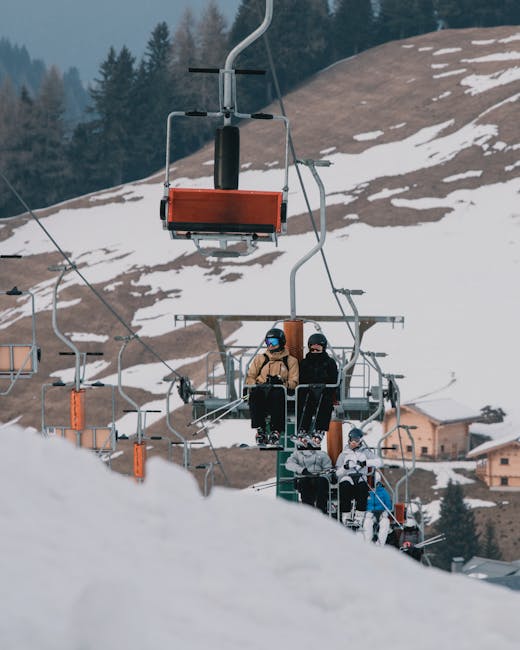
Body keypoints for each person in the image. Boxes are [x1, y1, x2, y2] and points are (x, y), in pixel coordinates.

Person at [246, 327, 299, 446]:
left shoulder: (290, 361)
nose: (270, 345)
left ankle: (276, 430)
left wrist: (282, 383)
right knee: (255, 395)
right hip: (262, 389)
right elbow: (250, 376)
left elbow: (294, 381)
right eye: (268, 342)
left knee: (277, 394)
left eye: (273, 342)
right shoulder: (261, 359)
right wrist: (257, 384)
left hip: (279, 391)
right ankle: (260, 429)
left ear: (281, 342)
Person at [297, 333, 338, 447]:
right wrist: (307, 386)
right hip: (308, 391)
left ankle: (319, 431)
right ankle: (302, 430)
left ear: (323, 347)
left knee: (325, 403)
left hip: (324, 391)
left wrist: (326, 387)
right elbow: (301, 378)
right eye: (312, 348)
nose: (315, 350)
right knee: (306, 403)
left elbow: (334, 378)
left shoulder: (329, 362)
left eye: (318, 347)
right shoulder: (305, 363)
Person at [335, 427, 381, 527]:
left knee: (363, 488)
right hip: (348, 476)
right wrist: (345, 467)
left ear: (360, 441)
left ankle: (359, 517)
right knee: (345, 486)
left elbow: (379, 462)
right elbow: (337, 473)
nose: (354, 443)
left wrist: (365, 463)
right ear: (349, 440)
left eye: (357, 440)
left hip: (360, 476)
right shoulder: (344, 454)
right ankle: (346, 516)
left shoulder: (365, 452)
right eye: (352, 440)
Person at [285, 447, 332, 514]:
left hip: (319, 477)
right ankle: (308, 512)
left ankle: (321, 511)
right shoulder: (297, 454)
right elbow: (288, 464)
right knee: (304, 482)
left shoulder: (322, 454)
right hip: (304, 477)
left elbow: (328, 468)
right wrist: (302, 470)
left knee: (322, 482)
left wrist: (322, 475)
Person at [364, 480, 392, 544]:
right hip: (370, 513)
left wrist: (385, 512)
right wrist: (367, 511)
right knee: (367, 522)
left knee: (385, 522)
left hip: (381, 513)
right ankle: (368, 542)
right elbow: (362, 504)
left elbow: (389, 506)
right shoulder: (367, 491)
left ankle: (380, 543)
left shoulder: (383, 492)